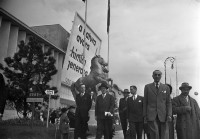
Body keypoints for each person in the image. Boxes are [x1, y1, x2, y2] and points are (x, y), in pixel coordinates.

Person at [143, 70, 172, 139]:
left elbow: (168, 102)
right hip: (151, 115)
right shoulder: (147, 87)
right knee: (155, 133)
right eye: (155, 75)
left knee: (163, 135)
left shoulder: (166, 88)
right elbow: (145, 102)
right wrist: (144, 115)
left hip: (163, 115)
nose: (157, 76)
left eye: (159, 75)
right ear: (152, 76)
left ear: (161, 76)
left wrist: (169, 114)